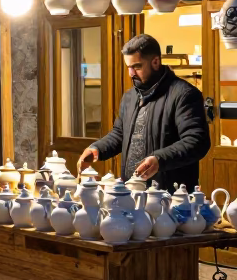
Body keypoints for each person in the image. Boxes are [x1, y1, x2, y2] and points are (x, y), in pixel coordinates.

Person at [77, 34, 211, 190]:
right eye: (128, 67)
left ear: (155, 62)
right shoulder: (130, 97)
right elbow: (119, 134)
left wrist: (159, 160)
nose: (131, 74)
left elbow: (197, 141)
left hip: (170, 196)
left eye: (137, 67)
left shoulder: (185, 94)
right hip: (130, 191)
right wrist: (96, 149)